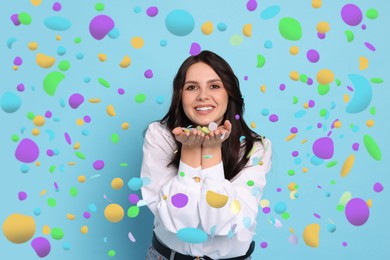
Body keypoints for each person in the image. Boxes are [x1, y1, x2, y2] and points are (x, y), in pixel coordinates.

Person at [141, 50, 272, 260]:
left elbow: (221, 224)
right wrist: (190, 152)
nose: (203, 96)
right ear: (180, 95)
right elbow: (177, 223)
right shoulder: (160, 136)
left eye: (214, 86)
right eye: (192, 87)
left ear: (229, 93)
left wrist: (211, 153)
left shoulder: (255, 147)